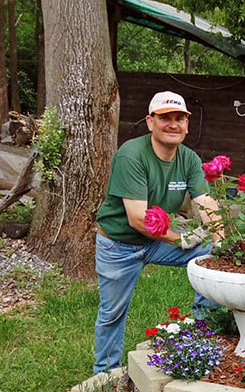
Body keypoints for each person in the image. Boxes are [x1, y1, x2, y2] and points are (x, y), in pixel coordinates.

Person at [92, 90, 222, 374]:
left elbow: (206, 204)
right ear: (150, 122)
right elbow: (138, 219)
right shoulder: (132, 155)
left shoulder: (187, 159)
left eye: (179, 118)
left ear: (187, 125)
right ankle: (104, 375)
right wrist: (183, 239)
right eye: (165, 118)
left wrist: (219, 242)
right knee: (112, 312)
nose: (173, 124)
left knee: (215, 260)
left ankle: (200, 336)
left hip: (158, 240)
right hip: (120, 245)